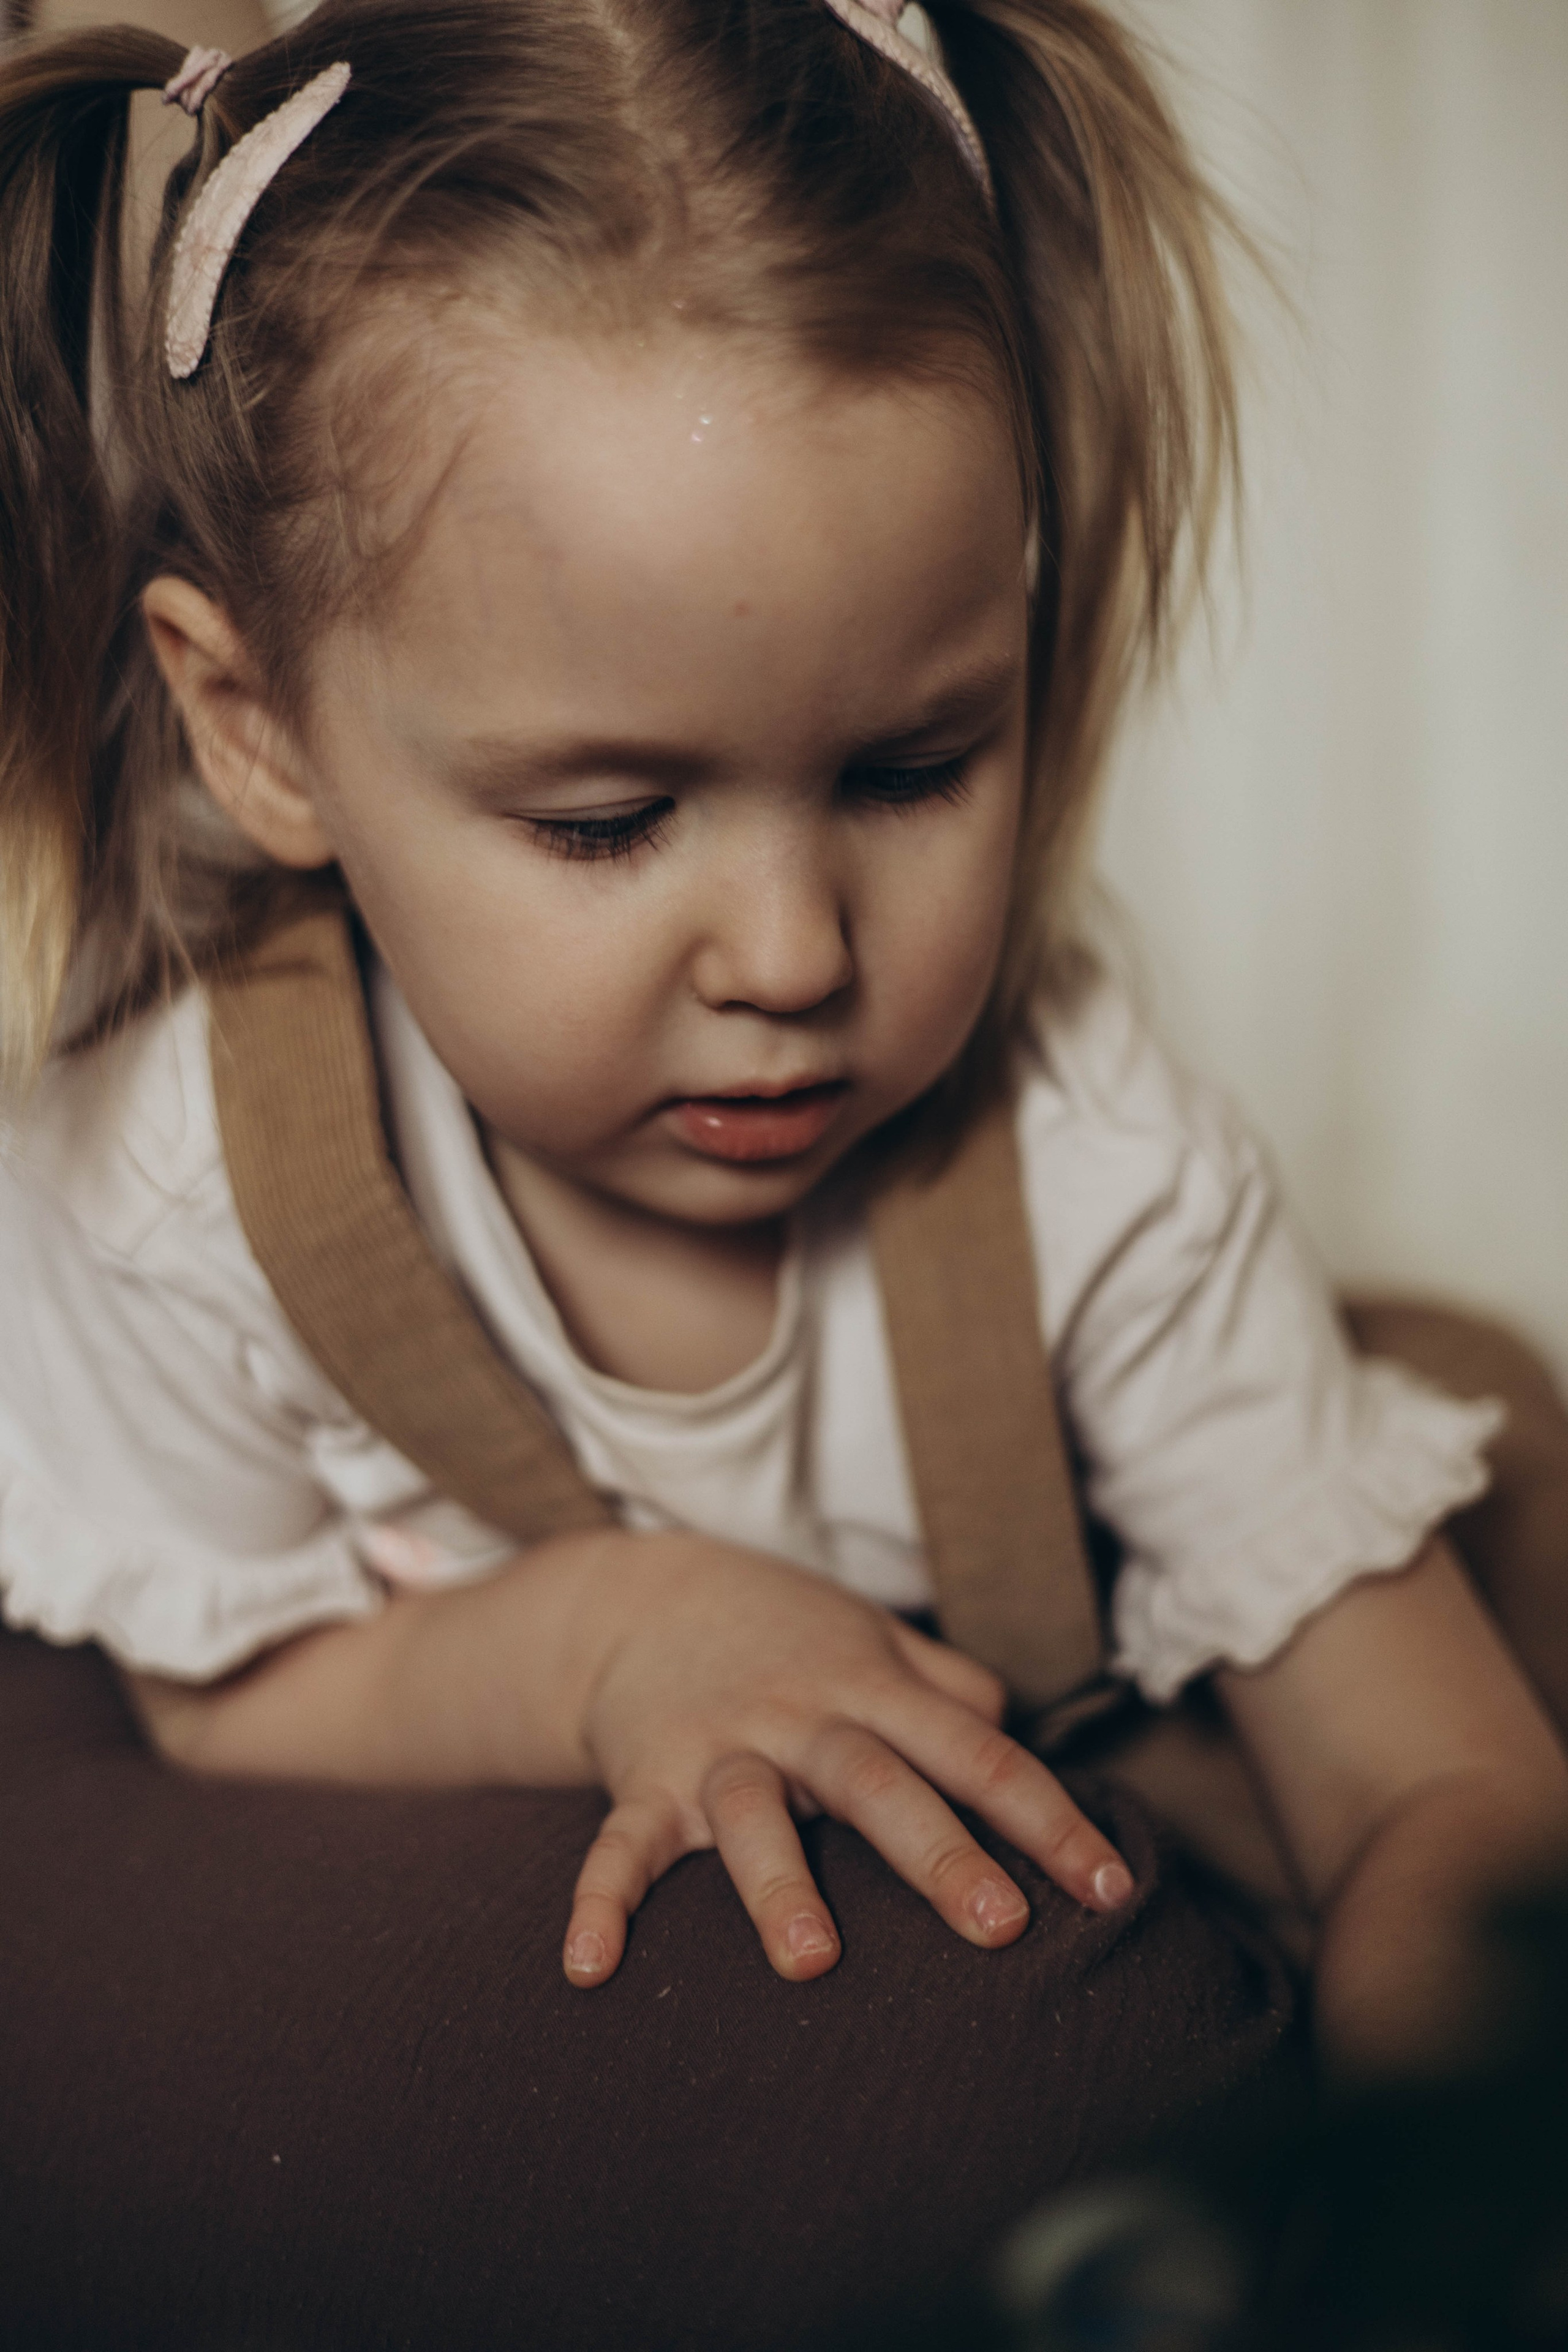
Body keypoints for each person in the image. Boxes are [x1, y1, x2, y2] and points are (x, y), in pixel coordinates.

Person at [1, 2, 1566, 2341]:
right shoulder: (173, 1195)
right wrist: (620, 1642)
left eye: (918, 765)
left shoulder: (1096, 1161)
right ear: (261, 731)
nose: (794, 952)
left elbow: (1439, 1788)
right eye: (611, 819)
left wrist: (1429, 2225)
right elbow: (230, 1699)